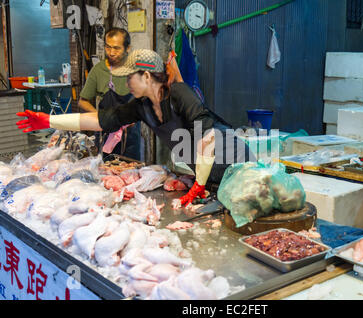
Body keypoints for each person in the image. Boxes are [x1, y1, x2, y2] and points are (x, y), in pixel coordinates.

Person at [16, 49, 255, 206]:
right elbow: (101, 120)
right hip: (207, 175)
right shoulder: (142, 106)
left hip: (238, 165)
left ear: (148, 77)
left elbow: (208, 136)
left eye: (130, 77)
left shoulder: (179, 94)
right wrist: (48, 120)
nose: (126, 82)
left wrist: (199, 185)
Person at [79, 27, 140, 160]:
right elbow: (82, 101)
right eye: (108, 47)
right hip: (105, 135)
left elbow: (147, 99)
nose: (111, 52)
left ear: (127, 48)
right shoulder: (98, 70)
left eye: (116, 48)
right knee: (105, 174)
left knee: (131, 173)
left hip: (130, 136)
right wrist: (100, 116)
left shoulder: (137, 69)